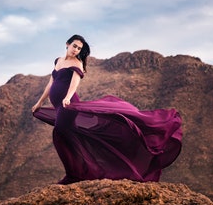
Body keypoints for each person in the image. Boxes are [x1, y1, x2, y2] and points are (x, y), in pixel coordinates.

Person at [32, 34, 182, 184]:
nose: (76, 50)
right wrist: (39, 103)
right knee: (70, 138)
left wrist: (68, 97)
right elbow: (51, 83)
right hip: (58, 106)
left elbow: (74, 84)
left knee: (59, 134)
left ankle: (75, 174)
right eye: (74, 46)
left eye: (79, 48)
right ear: (67, 44)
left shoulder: (77, 64)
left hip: (67, 105)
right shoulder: (58, 61)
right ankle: (79, 172)